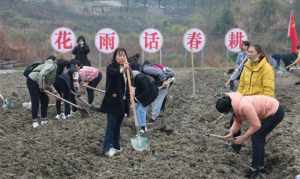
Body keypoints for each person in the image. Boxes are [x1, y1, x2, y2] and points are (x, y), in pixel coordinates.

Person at [216, 92, 284, 178]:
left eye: (227, 112)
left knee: (257, 136)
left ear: (230, 108)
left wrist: (243, 137)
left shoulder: (244, 106)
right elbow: (238, 120)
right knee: (258, 136)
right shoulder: (235, 103)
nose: (229, 113)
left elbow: (256, 125)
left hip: (275, 112)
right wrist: (231, 132)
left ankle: (256, 169)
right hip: (268, 112)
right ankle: (259, 166)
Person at [229, 44, 275, 153]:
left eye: (251, 52)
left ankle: (258, 156)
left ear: (258, 54)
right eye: (247, 52)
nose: (247, 54)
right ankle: (236, 145)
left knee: (257, 132)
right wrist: (238, 99)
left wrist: (264, 106)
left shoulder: (266, 68)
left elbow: (268, 89)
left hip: (258, 103)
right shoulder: (247, 66)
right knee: (234, 120)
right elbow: (242, 85)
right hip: (245, 101)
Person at [99, 48, 130, 157]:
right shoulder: (111, 67)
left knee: (117, 126)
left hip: (122, 102)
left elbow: (128, 85)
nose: (121, 57)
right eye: (119, 55)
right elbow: (114, 74)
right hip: (112, 101)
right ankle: (107, 148)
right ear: (115, 57)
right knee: (111, 125)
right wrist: (123, 70)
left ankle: (116, 146)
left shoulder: (127, 70)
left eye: (123, 55)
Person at [141, 61, 175, 133]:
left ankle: (154, 119)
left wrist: (163, 81)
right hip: (166, 80)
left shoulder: (145, 68)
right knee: (159, 100)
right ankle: (157, 117)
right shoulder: (152, 67)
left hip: (164, 81)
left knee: (157, 100)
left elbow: (159, 73)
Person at [26, 56, 58, 128]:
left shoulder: (49, 65)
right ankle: (35, 121)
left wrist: (55, 92)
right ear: (54, 60)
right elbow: (41, 74)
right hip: (32, 81)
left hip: (39, 82)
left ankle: (44, 119)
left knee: (45, 99)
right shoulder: (51, 65)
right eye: (56, 61)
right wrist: (41, 87)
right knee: (35, 100)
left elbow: (48, 82)